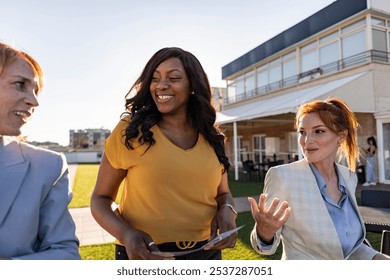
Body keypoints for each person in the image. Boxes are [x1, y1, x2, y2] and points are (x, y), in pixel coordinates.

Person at [90, 47, 237, 260]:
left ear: (193, 86)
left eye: (174, 78)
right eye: (155, 78)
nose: (161, 85)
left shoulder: (213, 138)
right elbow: (100, 199)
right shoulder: (129, 131)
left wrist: (228, 210)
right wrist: (126, 234)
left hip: (207, 253)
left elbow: (223, 194)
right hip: (145, 254)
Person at [248, 98, 389, 260]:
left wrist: (378, 258)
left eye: (319, 131)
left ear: (341, 136)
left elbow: (349, 246)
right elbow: (264, 248)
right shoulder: (282, 176)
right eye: (302, 132)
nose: (307, 141)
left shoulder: (348, 177)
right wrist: (264, 233)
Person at [0, 42, 80, 259]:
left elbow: (66, 255)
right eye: (20, 84)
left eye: (36, 90)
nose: (34, 101)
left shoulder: (47, 166)